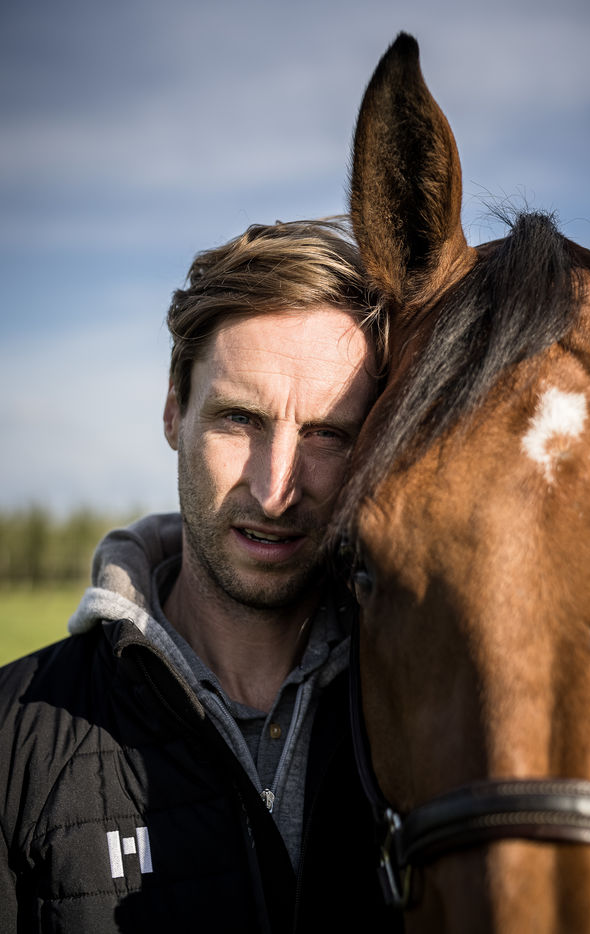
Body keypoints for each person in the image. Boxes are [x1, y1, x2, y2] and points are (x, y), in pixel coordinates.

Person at [0, 220, 401, 933]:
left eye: (327, 434)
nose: (276, 491)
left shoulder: (429, 721)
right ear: (173, 413)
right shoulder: (13, 739)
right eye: (239, 419)